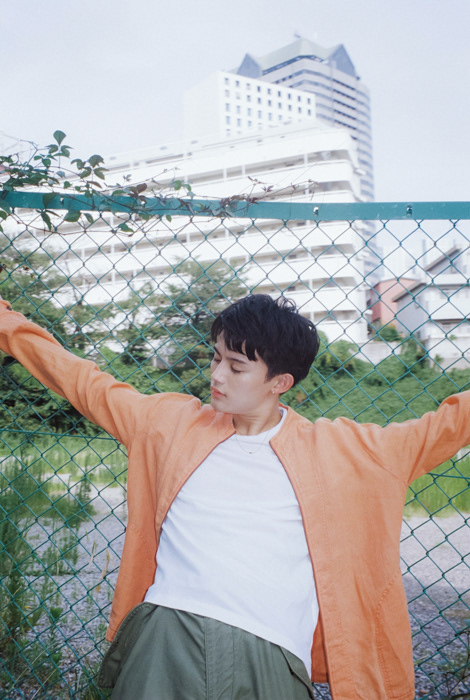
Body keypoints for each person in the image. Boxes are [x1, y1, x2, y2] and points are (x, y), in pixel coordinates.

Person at [1, 292, 469, 700]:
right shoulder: (168, 424)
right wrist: (6, 322)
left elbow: (448, 425)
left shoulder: (348, 451)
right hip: (166, 637)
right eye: (216, 358)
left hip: (270, 654)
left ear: (280, 382)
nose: (217, 375)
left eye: (236, 366)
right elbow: (82, 381)